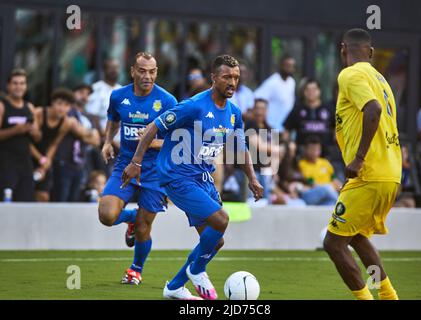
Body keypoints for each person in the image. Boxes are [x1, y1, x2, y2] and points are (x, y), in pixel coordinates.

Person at [121, 55, 264, 300]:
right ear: (213, 77)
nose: (232, 82)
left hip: (202, 177)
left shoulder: (234, 113)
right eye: (227, 77)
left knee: (215, 242)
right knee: (221, 220)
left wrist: (252, 178)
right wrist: (135, 162)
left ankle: (175, 287)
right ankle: (196, 270)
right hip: (177, 176)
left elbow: (241, 148)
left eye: (236, 77)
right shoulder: (194, 105)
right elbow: (153, 127)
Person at [323, 28, 402, 300]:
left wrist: (357, 159)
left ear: (343, 49)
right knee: (354, 236)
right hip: (390, 173)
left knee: (333, 243)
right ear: (370, 52)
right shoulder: (381, 79)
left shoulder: (350, 74)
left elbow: (373, 109)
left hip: (369, 172)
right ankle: (389, 295)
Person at [98, 52, 177, 285]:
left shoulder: (167, 101)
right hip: (125, 164)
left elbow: (178, 139)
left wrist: (152, 142)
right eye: (142, 71)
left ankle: (135, 269)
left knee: (144, 228)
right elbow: (113, 120)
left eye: (152, 72)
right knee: (106, 215)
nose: (147, 76)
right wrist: (106, 141)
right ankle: (131, 217)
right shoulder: (118, 96)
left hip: (155, 171)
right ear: (132, 71)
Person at [52, 84, 101, 202]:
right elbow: (78, 130)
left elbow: (96, 140)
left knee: (74, 201)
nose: (84, 96)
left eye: (87, 94)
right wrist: (87, 133)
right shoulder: (68, 112)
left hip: (80, 164)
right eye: (81, 92)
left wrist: (83, 133)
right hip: (64, 162)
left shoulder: (89, 117)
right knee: (61, 200)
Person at [0, 69, 41, 201]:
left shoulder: (29, 107)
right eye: (15, 83)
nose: (19, 87)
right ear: (8, 86)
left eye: (22, 83)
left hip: (25, 164)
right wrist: (15, 130)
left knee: (26, 203)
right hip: (5, 164)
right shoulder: (2, 106)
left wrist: (35, 132)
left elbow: (38, 138)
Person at [283, 79, 334, 148]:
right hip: (302, 152)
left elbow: (338, 127)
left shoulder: (329, 109)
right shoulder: (298, 109)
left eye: (314, 90)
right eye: (308, 90)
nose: (311, 92)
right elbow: (286, 129)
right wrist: (289, 144)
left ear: (319, 91)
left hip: (326, 151)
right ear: (304, 92)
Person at [254, 55, 296, 131]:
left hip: (285, 128)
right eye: (287, 65)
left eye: (292, 66)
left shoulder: (292, 82)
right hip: (271, 127)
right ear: (281, 65)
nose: (289, 68)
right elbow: (257, 97)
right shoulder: (273, 81)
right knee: (271, 143)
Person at [297, 135, 341, 205]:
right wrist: (330, 187)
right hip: (310, 194)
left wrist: (342, 188)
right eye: (312, 149)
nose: (315, 152)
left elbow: (334, 179)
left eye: (317, 149)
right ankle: (341, 203)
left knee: (331, 203)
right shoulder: (302, 164)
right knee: (326, 188)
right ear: (305, 149)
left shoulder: (325, 162)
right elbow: (312, 184)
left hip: (329, 194)